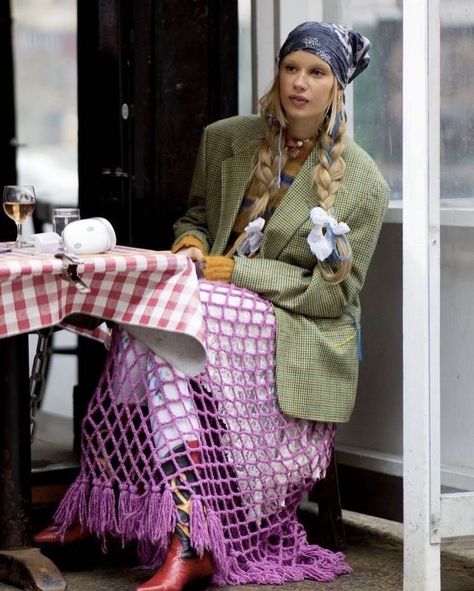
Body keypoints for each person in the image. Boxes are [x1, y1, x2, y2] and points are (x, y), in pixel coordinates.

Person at [34, 21, 390, 591]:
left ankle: (121, 509)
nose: (300, 82)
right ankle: (182, 531)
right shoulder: (227, 138)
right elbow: (196, 217)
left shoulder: (363, 184)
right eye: (292, 67)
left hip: (296, 325)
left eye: (317, 73)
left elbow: (332, 294)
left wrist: (232, 269)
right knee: (157, 320)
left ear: (337, 87)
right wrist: (193, 243)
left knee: (166, 312)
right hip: (207, 306)